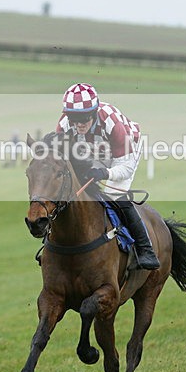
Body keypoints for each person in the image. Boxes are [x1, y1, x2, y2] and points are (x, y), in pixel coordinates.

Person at [55, 83, 160, 270]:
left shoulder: (112, 123)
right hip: (93, 149)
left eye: (84, 118)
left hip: (125, 152)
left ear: (94, 112)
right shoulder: (64, 125)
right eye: (74, 118)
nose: (79, 124)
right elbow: (60, 160)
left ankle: (145, 250)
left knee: (114, 194)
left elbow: (125, 167)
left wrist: (105, 173)